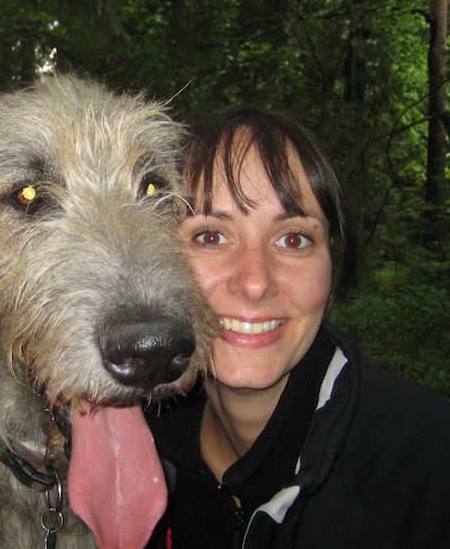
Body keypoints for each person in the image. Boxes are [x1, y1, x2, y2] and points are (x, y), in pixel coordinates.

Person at [146, 106, 450, 548]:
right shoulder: (129, 455)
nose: (255, 282)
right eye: (211, 236)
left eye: (293, 239)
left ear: (331, 265)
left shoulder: (428, 470)